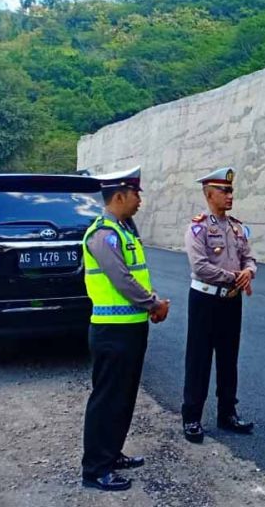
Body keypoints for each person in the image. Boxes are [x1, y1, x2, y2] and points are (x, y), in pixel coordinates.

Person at [80, 166, 170, 492]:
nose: (140, 200)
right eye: (136, 194)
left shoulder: (124, 230)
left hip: (130, 329)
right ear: (119, 195)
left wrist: (151, 304)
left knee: (123, 397)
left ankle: (111, 453)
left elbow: (137, 276)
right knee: (107, 399)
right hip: (111, 332)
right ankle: (95, 469)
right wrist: (154, 304)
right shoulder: (103, 235)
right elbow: (123, 280)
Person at [181, 167, 257, 442]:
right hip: (205, 300)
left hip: (231, 301)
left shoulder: (237, 227)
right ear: (209, 194)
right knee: (199, 359)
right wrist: (234, 277)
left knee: (229, 358)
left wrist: (249, 271)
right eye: (224, 191)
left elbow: (249, 257)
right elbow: (200, 267)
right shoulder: (198, 228)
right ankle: (191, 417)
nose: (229, 195)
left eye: (231, 190)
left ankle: (227, 413)